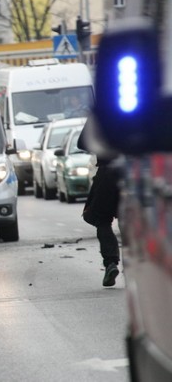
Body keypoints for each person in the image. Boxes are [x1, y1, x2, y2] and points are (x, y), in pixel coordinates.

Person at [78, 119, 121, 287]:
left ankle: (111, 262)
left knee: (101, 219)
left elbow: (82, 142)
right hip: (139, 173)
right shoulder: (148, 108)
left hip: (109, 173)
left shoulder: (104, 112)